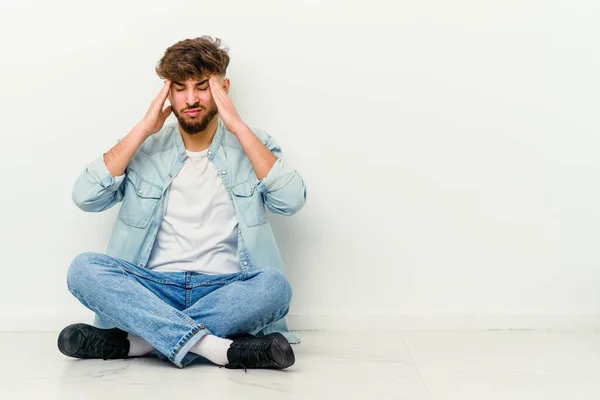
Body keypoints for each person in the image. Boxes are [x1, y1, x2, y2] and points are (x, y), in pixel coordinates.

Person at [57, 36, 306, 370]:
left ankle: (140, 344)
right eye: (180, 88)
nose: (191, 99)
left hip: (225, 290)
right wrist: (144, 128)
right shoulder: (143, 147)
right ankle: (220, 349)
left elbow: (291, 201)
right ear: (167, 93)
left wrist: (239, 127)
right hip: (154, 290)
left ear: (224, 87)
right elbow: (85, 196)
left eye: (202, 87)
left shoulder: (253, 144)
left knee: (274, 287)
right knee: (83, 269)